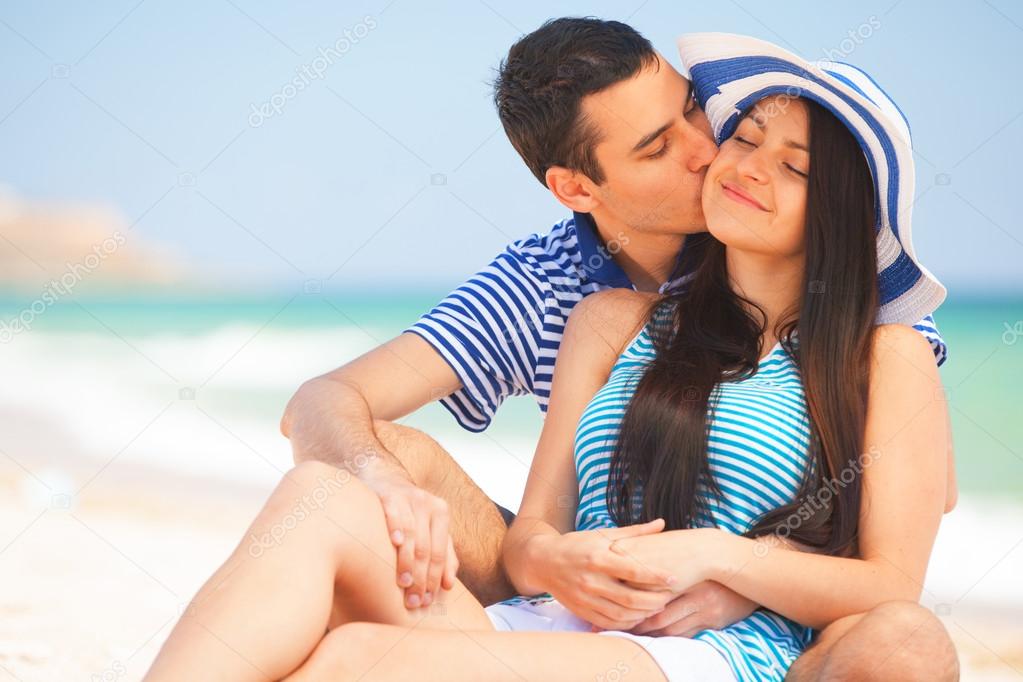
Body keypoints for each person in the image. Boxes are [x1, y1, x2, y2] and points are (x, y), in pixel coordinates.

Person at [144, 31, 958, 681]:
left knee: (354, 657)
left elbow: (893, 570)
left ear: (840, 212)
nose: (721, 159)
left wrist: (724, 562)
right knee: (322, 490)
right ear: (579, 187)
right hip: (546, 617)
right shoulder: (599, 313)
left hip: (701, 651)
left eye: (792, 165)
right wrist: (551, 558)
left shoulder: (881, 350)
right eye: (743, 135)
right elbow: (525, 530)